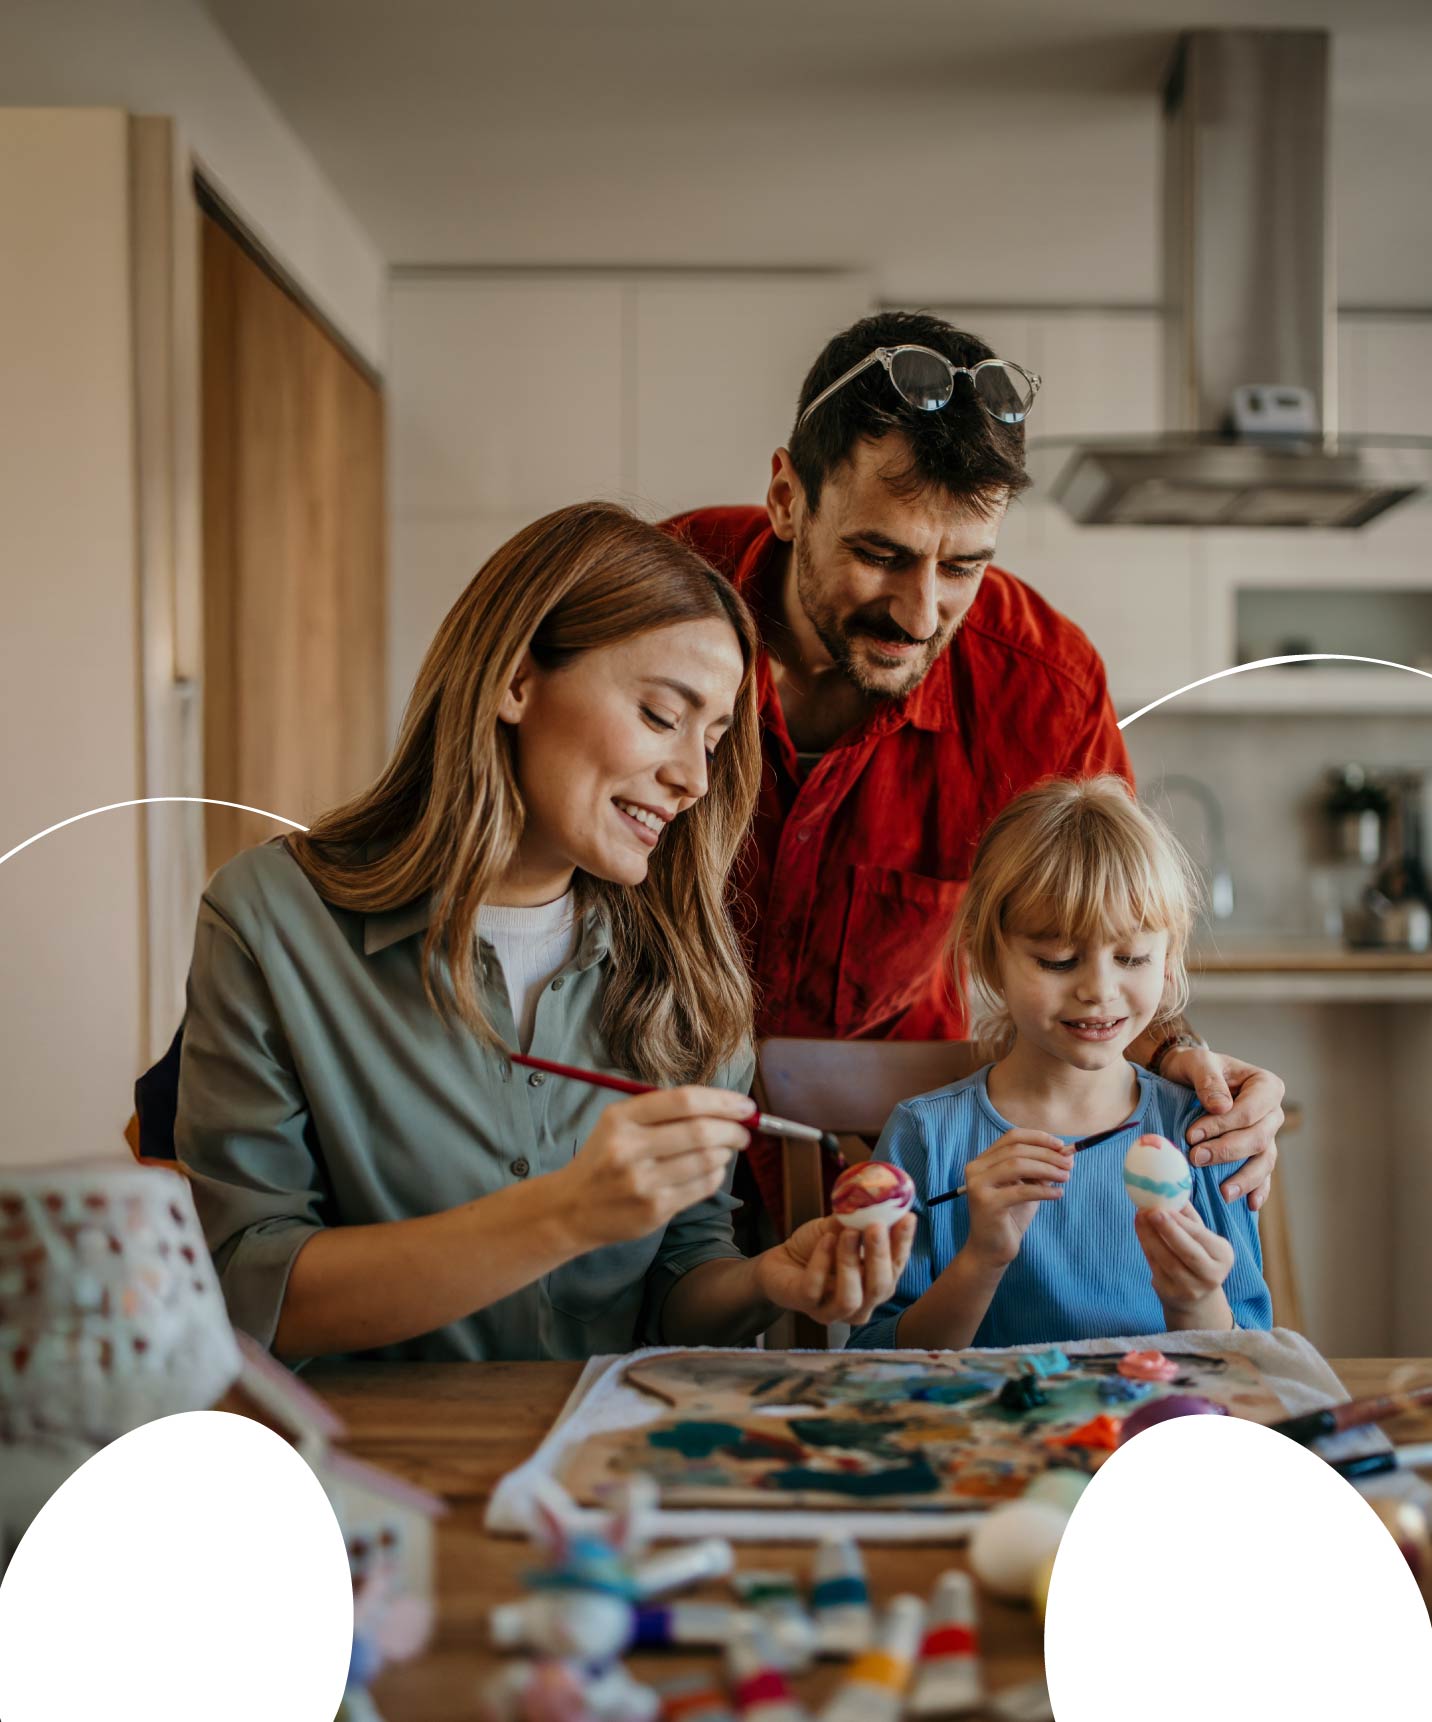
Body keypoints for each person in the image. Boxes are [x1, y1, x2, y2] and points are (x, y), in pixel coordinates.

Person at [174, 503, 914, 1364]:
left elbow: (681, 1280)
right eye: (660, 715)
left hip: (606, 1476)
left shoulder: (690, 977)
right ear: (517, 682)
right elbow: (244, 1289)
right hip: (374, 1471)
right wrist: (561, 1215)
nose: (693, 779)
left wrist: (767, 1280)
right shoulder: (270, 921)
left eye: (714, 738)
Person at [663, 309, 1285, 1221]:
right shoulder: (661, 597)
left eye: (963, 567)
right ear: (789, 497)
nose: (921, 614)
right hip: (638, 1124)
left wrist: (1183, 1053)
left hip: (895, 1166)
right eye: (883, 555)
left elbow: (1099, 933)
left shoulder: (1045, 687)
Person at [850, 776, 1273, 1351]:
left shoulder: (1202, 1134)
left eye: (1131, 957)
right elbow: (876, 1362)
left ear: (1169, 961)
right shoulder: (928, 1135)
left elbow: (1253, 1363)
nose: (1099, 989)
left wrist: (1194, 1301)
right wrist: (982, 1259)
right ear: (988, 959)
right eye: (1057, 960)